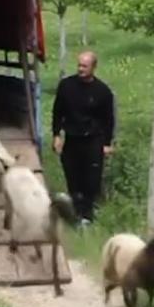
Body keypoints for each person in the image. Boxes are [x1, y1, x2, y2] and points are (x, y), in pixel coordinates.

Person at [51, 50, 115, 225]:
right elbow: (58, 112)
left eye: (84, 66)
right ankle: (75, 214)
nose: (80, 69)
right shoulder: (66, 86)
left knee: (91, 179)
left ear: (94, 67)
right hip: (72, 138)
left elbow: (108, 119)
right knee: (73, 176)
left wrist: (107, 143)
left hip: (93, 139)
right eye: (79, 65)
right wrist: (56, 134)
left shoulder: (103, 92)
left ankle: (87, 216)